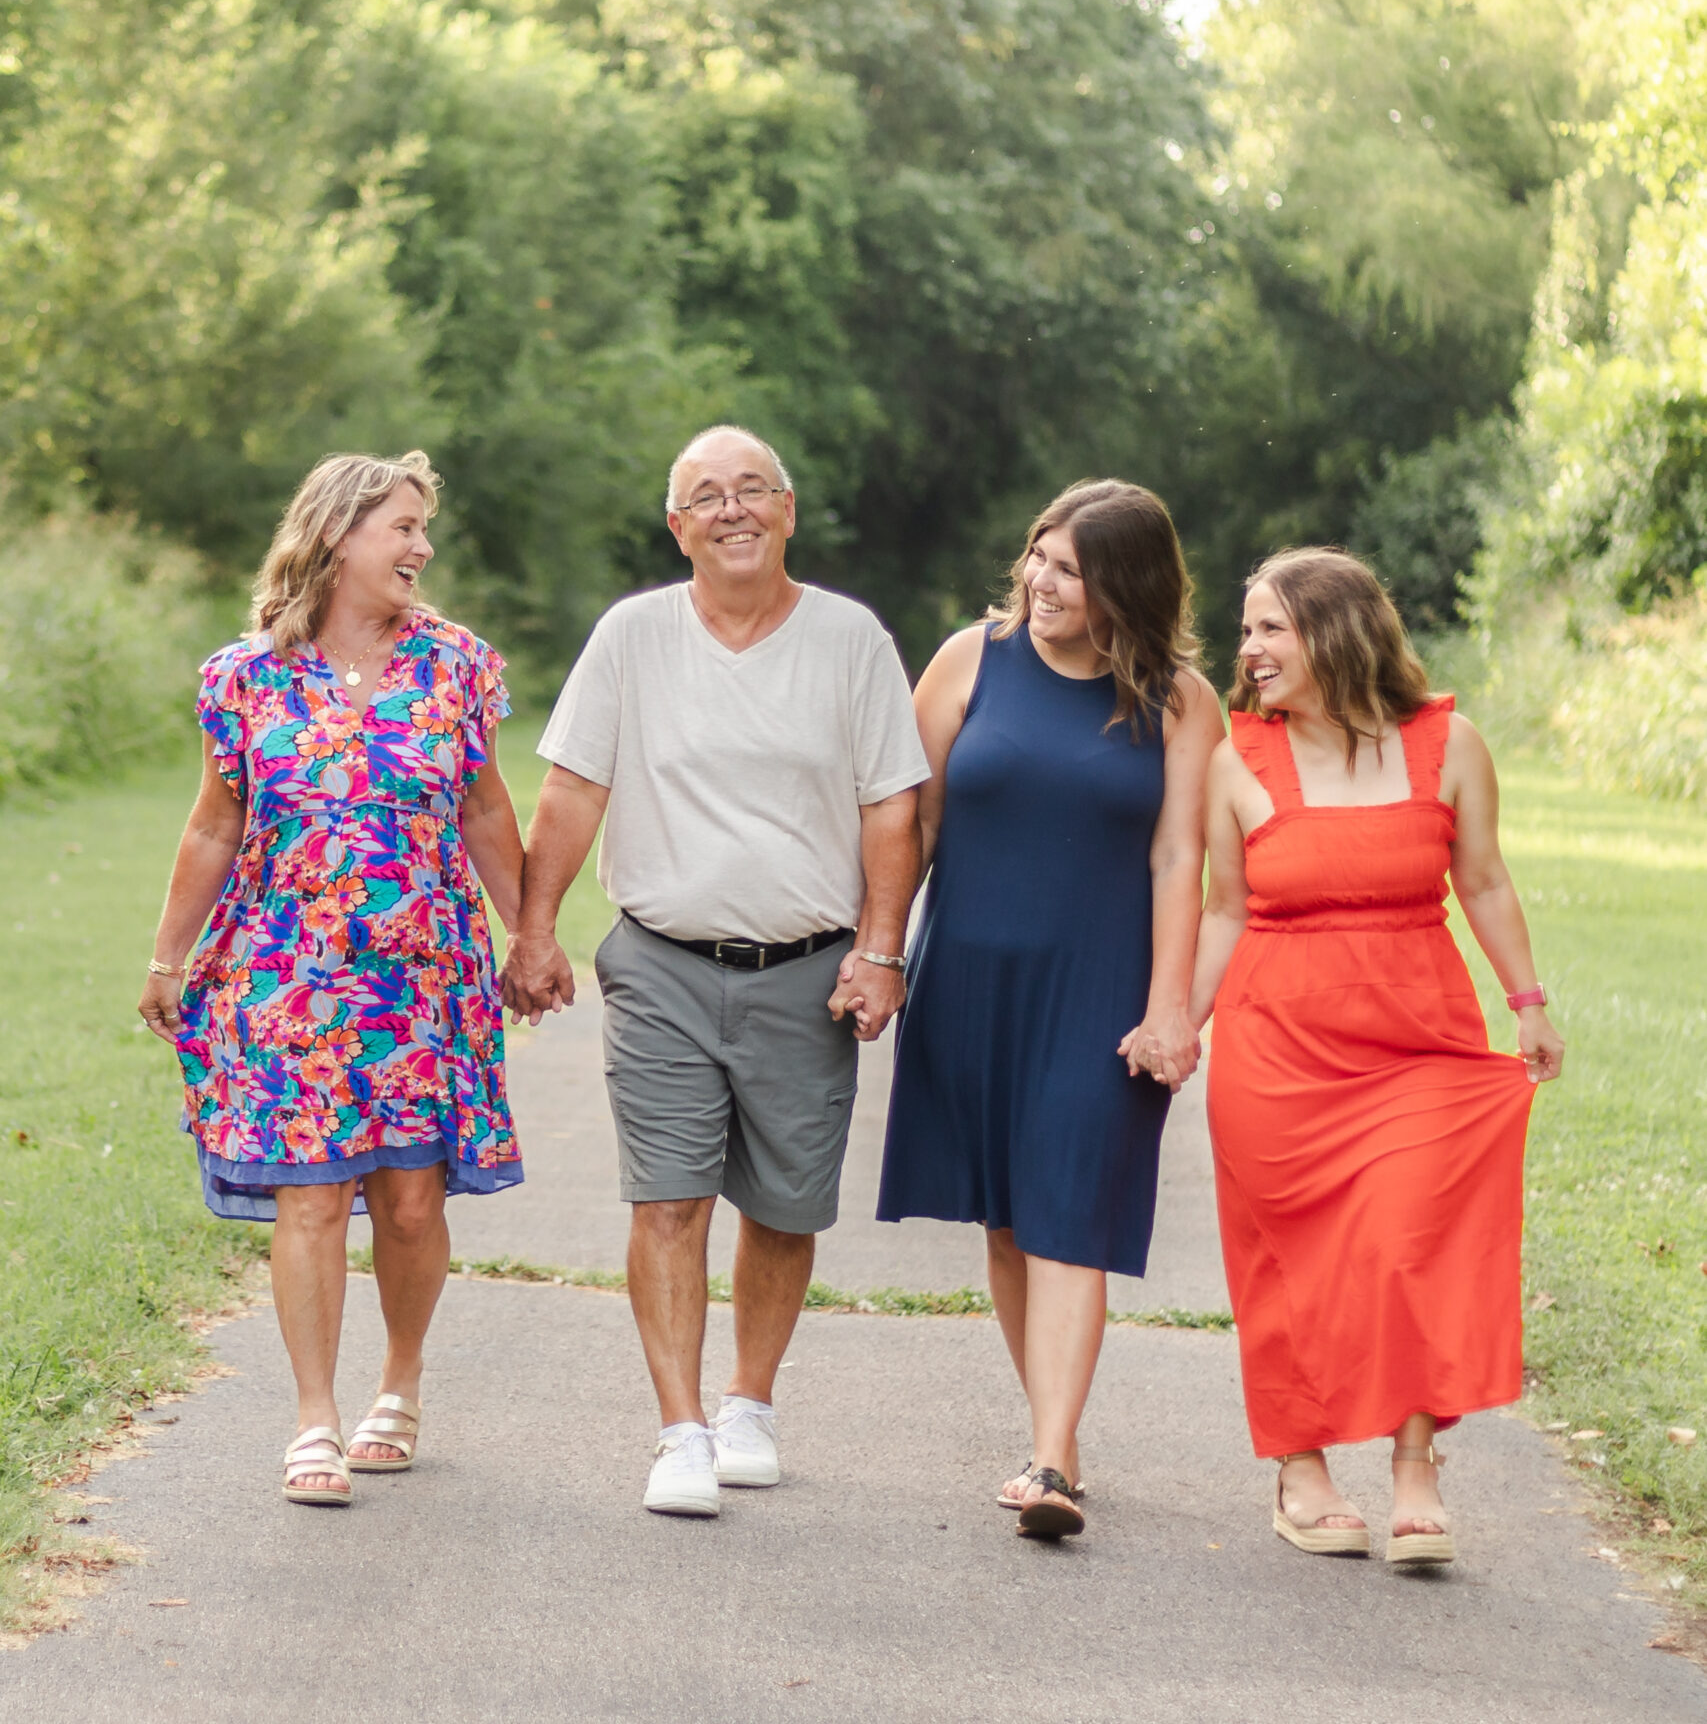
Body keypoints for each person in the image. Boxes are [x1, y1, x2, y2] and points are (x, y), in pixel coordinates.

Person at [505, 425, 929, 1518]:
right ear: (676, 524)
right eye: (707, 494)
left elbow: (893, 806)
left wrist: (881, 951)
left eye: (753, 491)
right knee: (671, 1196)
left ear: (789, 511)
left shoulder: (850, 640)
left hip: (808, 968)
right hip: (661, 964)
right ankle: (681, 1426)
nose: (732, 509)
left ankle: (750, 1401)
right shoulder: (633, 636)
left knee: (785, 1207)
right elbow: (571, 793)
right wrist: (535, 930)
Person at [137, 450, 525, 1507]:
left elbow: (486, 811)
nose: (421, 547)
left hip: (422, 973)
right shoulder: (244, 675)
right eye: (402, 526)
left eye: (422, 528)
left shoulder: (456, 666)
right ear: (338, 533)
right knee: (309, 1194)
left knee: (407, 1200)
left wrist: (531, 932)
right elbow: (217, 822)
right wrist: (170, 953)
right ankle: (313, 1416)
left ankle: (397, 1384)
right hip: (285, 970)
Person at [1191, 547, 1566, 1566]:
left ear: (1336, 630)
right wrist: (1180, 1020)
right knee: (1290, 1264)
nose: (1250, 649)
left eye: (1272, 627)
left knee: (1413, 1244)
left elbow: (1484, 880)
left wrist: (1526, 1001)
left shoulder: (1449, 743)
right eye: (1248, 628)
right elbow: (1224, 907)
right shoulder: (1239, 757)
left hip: (1420, 1036)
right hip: (1278, 1043)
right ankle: (1301, 1466)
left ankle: (1414, 1462)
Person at [876, 480, 1223, 1539]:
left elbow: (1179, 857)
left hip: (1100, 988)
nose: (1040, 580)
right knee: (1013, 1217)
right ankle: (1049, 1432)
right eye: (1037, 555)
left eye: (1068, 569)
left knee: (1069, 1207)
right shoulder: (970, 658)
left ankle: (1054, 1458)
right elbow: (909, 819)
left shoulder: (1178, 698)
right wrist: (878, 953)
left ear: (1127, 585)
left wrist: (1173, 1008)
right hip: (972, 975)